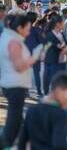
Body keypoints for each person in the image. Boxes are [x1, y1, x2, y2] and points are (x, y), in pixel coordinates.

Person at [0, 15, 43, 148]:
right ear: (19, 28)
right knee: (14, 121)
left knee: (16, 119)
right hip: (15, 85)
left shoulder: (10, 38)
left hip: (14, 84)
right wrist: (35, 56)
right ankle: (5, 145)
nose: (29, 32)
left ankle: (14, 144)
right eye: (28, 29)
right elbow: (19, 66)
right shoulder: (13, 41)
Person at [18, 72, 67, 150]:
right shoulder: (60, 115)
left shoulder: (31, 110)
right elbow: (59, 145)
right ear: (59, 90)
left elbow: (22, 142)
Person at [44, 15, 67, 94]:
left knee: (60, 80)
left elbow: (66, 45)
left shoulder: (61, 34)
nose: (64, 24)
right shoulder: (49, 35)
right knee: (52, 80)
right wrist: (62, 48)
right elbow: (51, 47)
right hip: (53, 61)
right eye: (62, 23)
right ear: (57, 24)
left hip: (62, 61)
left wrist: (65, 48)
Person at [25, 12, 45, 96]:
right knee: (37, 73)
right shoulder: (37, 30)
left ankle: (26, 91)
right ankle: (39, 91)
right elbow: (43, 42)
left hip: (24, 53)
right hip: (35, 54)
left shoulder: (21, 29)